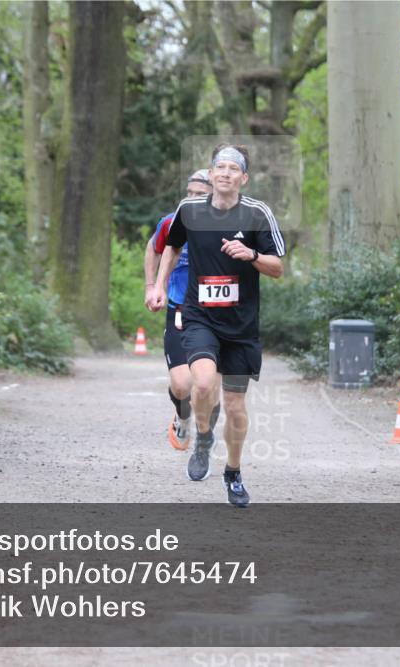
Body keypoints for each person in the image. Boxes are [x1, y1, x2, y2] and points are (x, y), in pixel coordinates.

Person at [148, 144, 285, 507]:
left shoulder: (257, 214)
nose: (224, 173)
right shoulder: (189, 210)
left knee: (236, 406)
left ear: (243, 178)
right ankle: (204, 439)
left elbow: (277, 267)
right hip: (199, 316)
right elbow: (171, 247)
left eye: (232, 168)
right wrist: (159, 286)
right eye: (218, 167)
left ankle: (233, 473)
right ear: (210, 176)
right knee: (203, 381)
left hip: (241, 325)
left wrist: (252, 255)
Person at [143, 169, 219, 451]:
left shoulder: (227, 224)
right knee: (180, 385)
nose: (192, 199)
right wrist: (152, 286)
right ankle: (182, 417)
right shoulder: (172, 222)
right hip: (179, 309)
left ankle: (204, 441)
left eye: (200, 195)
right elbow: (154, 249)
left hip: (215, 314)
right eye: (189, 193)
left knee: (206, 384)